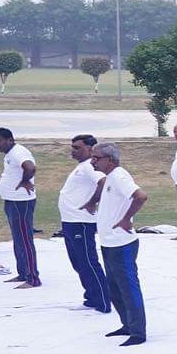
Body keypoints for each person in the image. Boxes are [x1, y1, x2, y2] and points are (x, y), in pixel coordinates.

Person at [85, 143, 148, 345]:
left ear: (109, 160)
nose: (92, 161)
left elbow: (140, 196)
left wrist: (126, 218)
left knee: (128, 287)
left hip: (122, 244)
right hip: (109, 243)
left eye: (96, 158)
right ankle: (127, 324)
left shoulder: (119, 176)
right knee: (114, 287)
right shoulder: (110, 178)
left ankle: (138, 332)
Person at [56, 135, 112, 315]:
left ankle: (103, 301)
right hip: (70, 221)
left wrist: (92, 202)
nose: (73, 150)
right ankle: (91, 297)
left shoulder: (90, 166)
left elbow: (103, 182)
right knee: (78, 263)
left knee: (88, 261)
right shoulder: (81, 167)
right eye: (72, 147)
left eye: (77, 147)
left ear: (90, 149)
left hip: (81, 222)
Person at [0, 127, 40, 288]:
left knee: (25, 241)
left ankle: (33, 278)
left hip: (21, 203)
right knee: (18, 240)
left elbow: (30, 167)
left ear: (9, 139)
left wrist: (25, 181)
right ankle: (23, 273)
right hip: (12, 201)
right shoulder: (10, 154)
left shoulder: (19, 152)